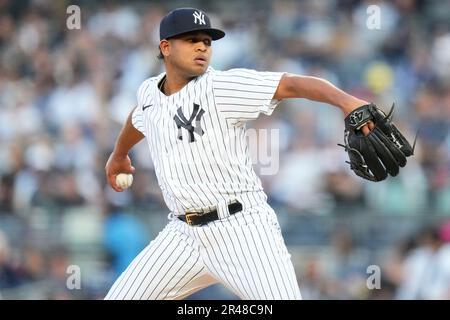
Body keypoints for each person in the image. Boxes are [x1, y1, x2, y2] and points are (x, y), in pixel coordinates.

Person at [104, 7, 372, 300]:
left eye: (207, 41)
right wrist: (119, 154)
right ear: (165, 47)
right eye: (191, 39)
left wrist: (347, 102)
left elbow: (290, 83)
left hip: (242, 229)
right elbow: (138, 117)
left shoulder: (220, 87)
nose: (202, 47)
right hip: (182, 235)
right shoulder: (149, 93)